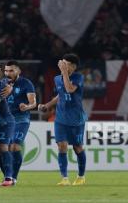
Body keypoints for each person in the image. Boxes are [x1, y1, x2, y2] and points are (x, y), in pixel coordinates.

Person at [38, 53, 87, 186]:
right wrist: (47, 105)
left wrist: (65, 73)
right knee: (62, 146)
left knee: (77, 147)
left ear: (73, 66)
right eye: (62, 63)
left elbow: (70, 89)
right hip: (60, 118)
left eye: (65, 64)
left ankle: (81, 176)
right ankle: (64, 178)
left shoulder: (79, 77)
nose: (61, 66)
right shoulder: (57, 79)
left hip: (76, 119)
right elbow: (60, 95)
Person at [4, 60, 36, 185]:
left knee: (15, 146)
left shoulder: (26, 83)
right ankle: (7, 175)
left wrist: (27, 107)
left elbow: (33, 102)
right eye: (6, 70)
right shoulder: (2, 83)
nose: (8, 73)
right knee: (4, 148)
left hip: (21, 119)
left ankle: (13, 178)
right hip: (6, 120)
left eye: (11, 70)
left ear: (18, 71)